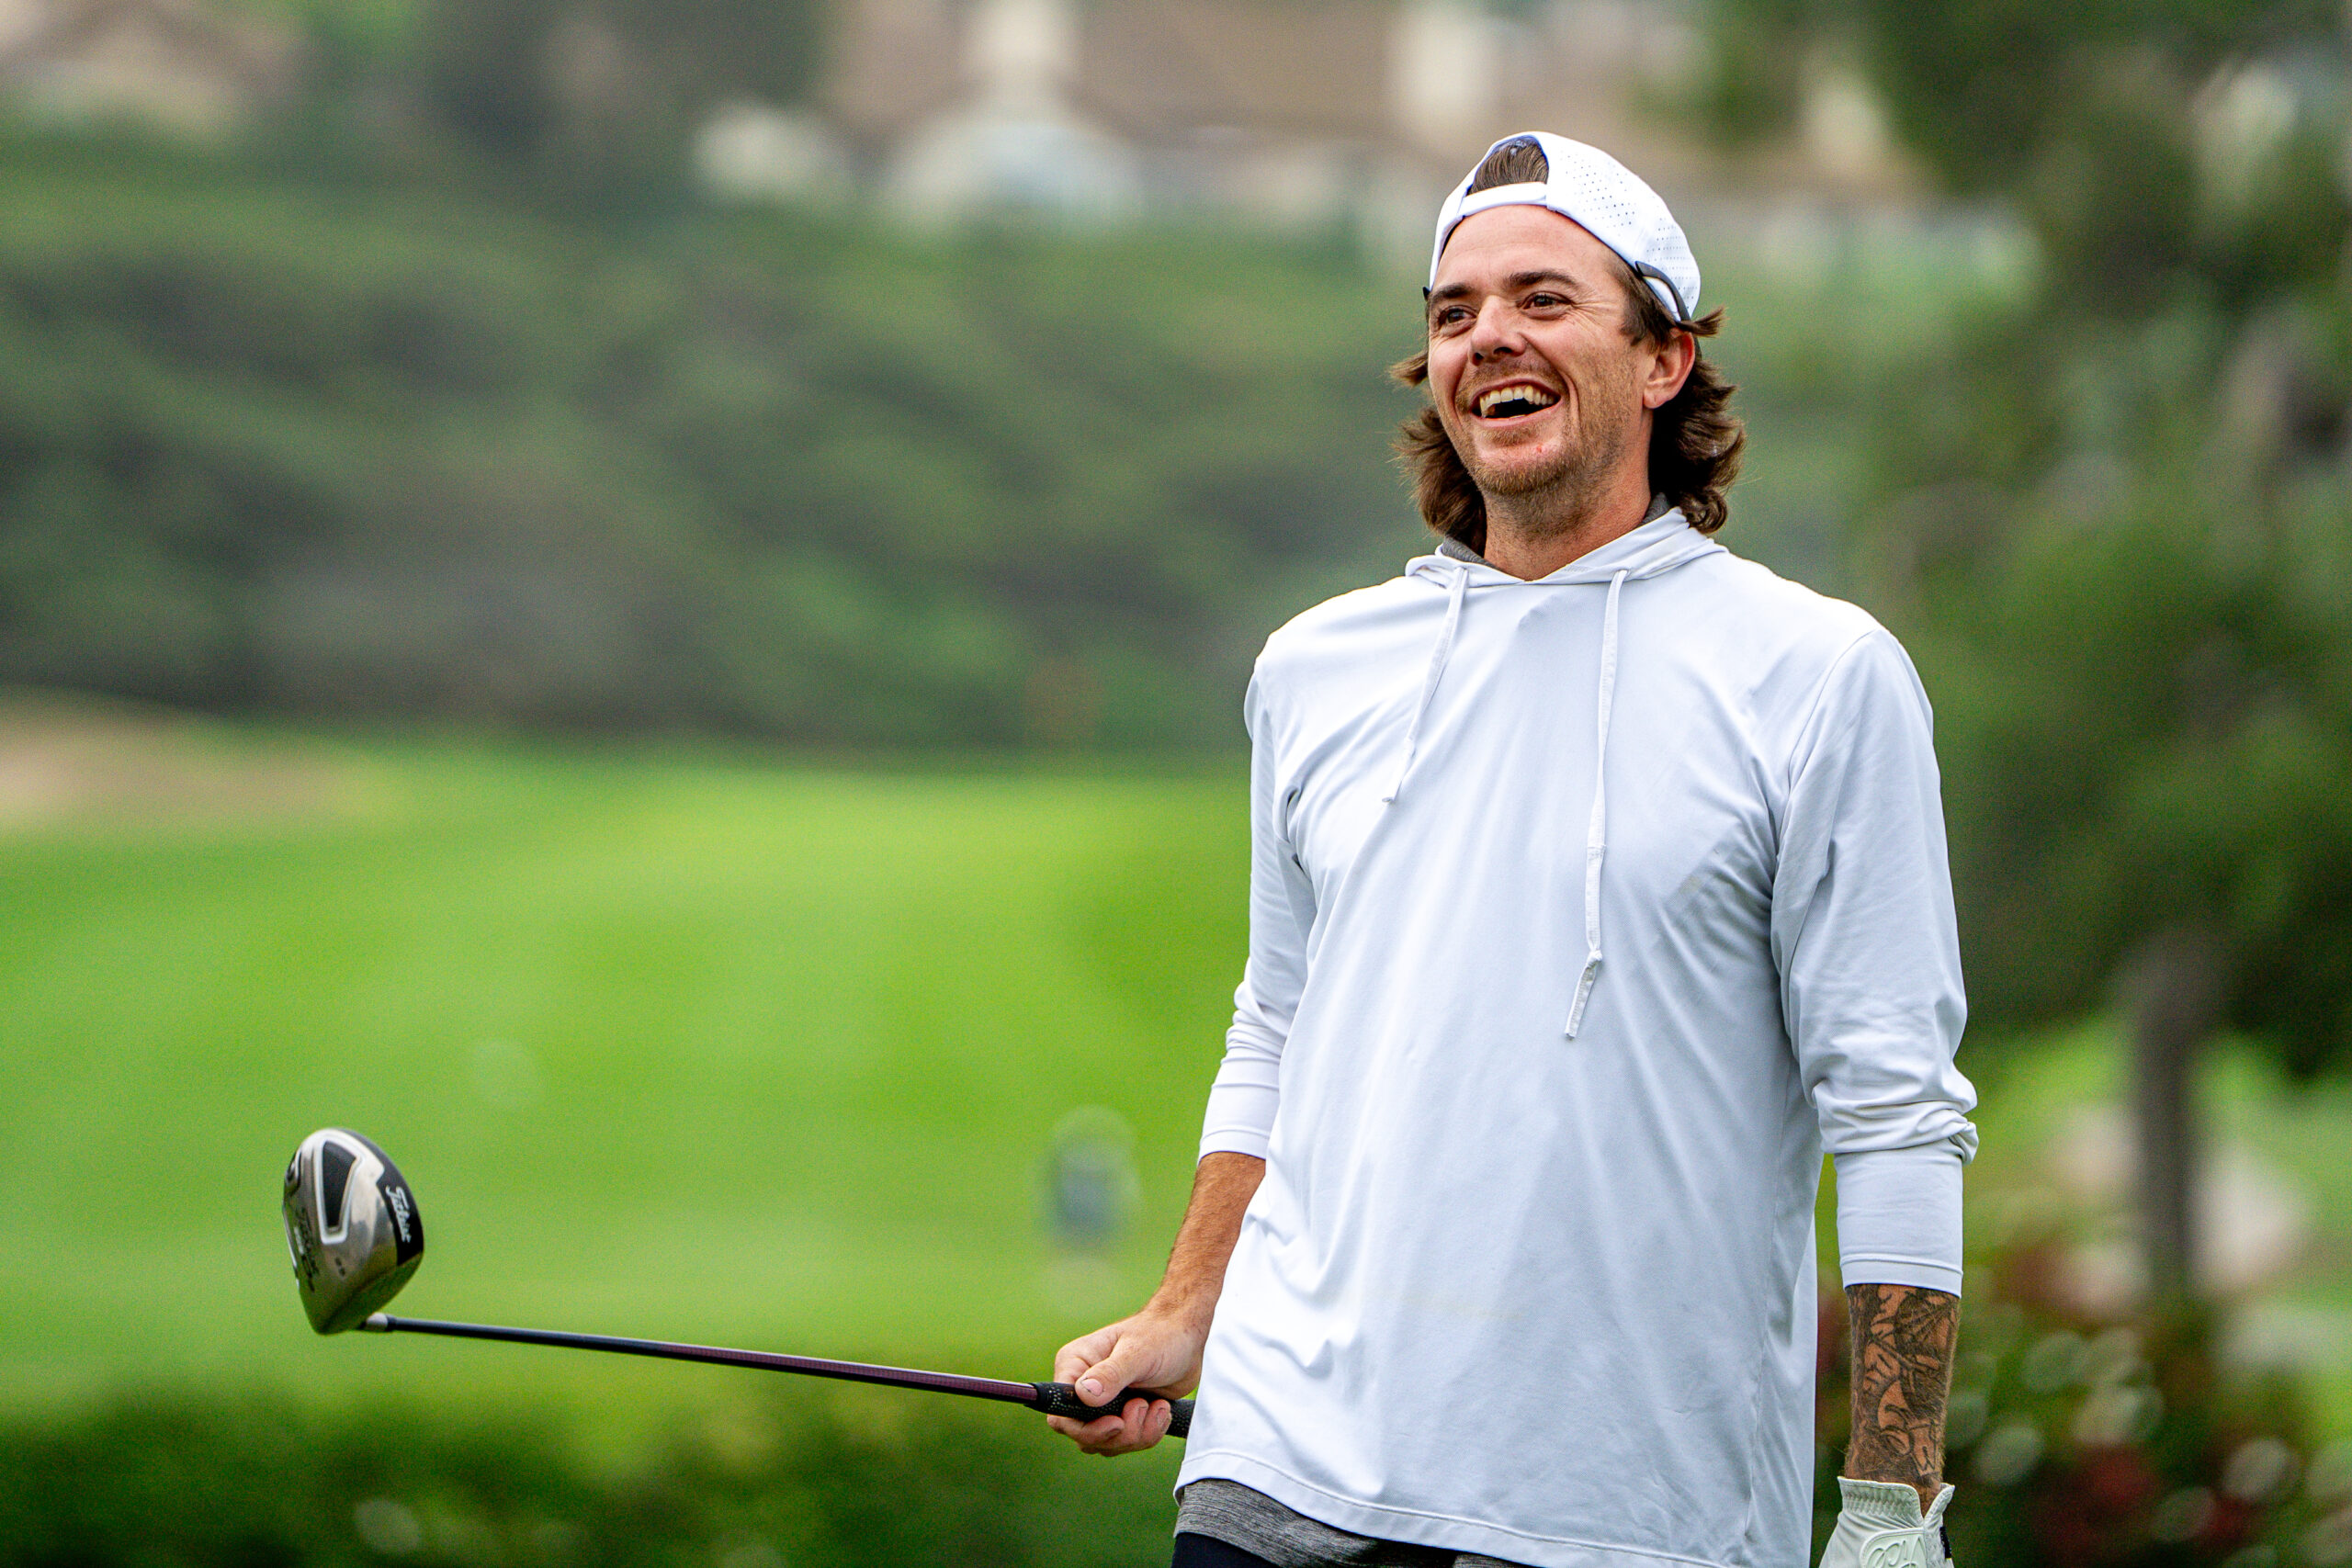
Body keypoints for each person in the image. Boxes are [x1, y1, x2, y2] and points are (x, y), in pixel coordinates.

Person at [1047, 131, 1979, 1568]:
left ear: (1664, 358)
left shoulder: (1819, 677)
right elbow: (1279, 1024)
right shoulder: (1314, 669)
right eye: (1454, 311)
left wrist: (1890, 1501)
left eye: (1544, 298)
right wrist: (1188, 1313)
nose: (1489, 336)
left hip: (1626, 1522)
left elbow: (1897, 1111)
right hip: (1275, 1480)